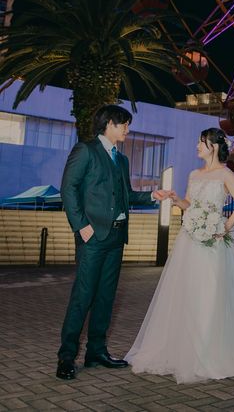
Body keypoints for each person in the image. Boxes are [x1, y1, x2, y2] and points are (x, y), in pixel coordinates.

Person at [125, 128, 234, 384]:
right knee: (188, 291)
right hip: (190, 241)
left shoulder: (226, 174)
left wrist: (223, 227)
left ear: (213, 146)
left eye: (201, 142)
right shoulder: (194, 174)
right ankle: (186, 350)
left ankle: (212, 351)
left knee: (212, 292)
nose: (197, 146)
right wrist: (177, 200)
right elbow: (190, 204)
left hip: (214, 243)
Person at [56, 105, 172, 381]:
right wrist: (81, 226)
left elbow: (126, 195)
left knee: (106, 297)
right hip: (93, 237)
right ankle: (66, 357)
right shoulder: (86, 150)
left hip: (117, 237)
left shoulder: (121, 159)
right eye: (124, 124)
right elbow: (68, 188)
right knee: (83, 296)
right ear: (109, 124)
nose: (127, 129)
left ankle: (96, 352)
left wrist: (152, 195)